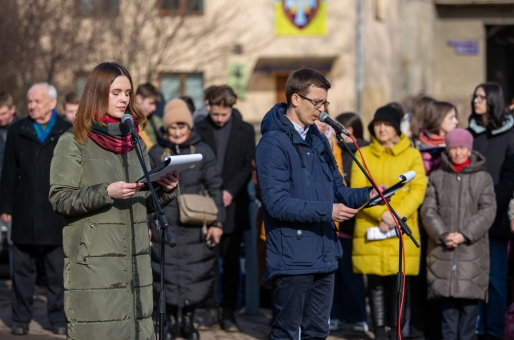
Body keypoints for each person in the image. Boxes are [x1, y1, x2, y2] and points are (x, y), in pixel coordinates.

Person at [48, 62, 179, 339]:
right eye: (116, 92)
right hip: (95, 266)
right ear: (98, 93)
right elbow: (60, 199)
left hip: (136, 261)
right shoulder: (73, 141)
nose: (124, 99)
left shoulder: (135, 141)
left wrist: (165, 188)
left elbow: (141, 197)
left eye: (128, 93)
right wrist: (106, 192)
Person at [255, 68, 385, 340]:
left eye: (325, 102)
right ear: (295, 99)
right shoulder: (272, 143)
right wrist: (329, 211)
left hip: (324, 252)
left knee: (318, 331)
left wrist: (368, 195)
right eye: (316, 102)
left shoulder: (320, 140)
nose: (322, 109)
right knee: (287, 332)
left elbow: (338, 190)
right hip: (292, 256)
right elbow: (277, 204)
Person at [148, 98, 224, 340]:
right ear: (166, 128)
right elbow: (147, 190)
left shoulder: (202, 150)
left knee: (195, 274)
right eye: (173, 127)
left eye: (183, 126)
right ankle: (170, 321)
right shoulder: (156, 152)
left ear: (189, 127)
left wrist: (217, 222)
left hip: (195, 224)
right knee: (166, 274)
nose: (178, 131)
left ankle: (188, 321)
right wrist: (149, 224)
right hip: (165, 222)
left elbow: (215, 186)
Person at [0, 83, 72, 335]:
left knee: (57, 273)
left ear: (52, 103)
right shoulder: (18, 130)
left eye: (37, 101)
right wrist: (5, 205)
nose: (31, 106)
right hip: (24, 211)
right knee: (21, 271)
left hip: (55, 212)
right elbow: (9, 171)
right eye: (29, 101)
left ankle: (58, 318)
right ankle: (20, 319)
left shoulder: (67, 130)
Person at [351, 106, 427, 340]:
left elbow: (417, 189)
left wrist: (394, 215)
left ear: (396, 128)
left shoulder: (411, 154)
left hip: (400, 230)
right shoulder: (362, 154)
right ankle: (379, 333)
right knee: (374, 286)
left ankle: (396, 333)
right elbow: (356, 191)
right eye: (377, 124)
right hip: (371, 228)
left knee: (398, 287)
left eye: (387, 124)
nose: (381, 129)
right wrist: (381, 215)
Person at [421, 128, 496, 340]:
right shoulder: (437, 177)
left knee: (469, 315)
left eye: (463, 147)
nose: (458, 152)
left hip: (471, 255)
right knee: (448, 314)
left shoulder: (483, 178)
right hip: (443, 254)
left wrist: (464, 234)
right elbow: (428, 210)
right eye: (454, 147)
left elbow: (488, 210)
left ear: (470, 149)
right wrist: (443, 234)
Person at [195, 85, 255, 332]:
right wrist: (212, 193)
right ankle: (210, 307)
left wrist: (229, 191)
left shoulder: (246, 130)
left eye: (224, 114)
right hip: (205, 202)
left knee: (231, 261)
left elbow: (245, 165)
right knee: (207, 258)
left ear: (232, 108)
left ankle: (229, 310)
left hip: (233, 203)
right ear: (208, 106)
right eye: (216, 113)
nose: (219, 119)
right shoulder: (199, 128)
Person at [468, 82, 514, 340]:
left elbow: (509, 179)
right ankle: (475, 327)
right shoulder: (471, 133)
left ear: (494, 101)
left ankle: (494, 331)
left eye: (482, 97)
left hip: (496, 219)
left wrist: (489, 209)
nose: (476, 100)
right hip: (469, 218)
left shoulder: (510, 134)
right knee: (473, 277)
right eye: (475, 96)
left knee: (495, 279)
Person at [329, 112, 369, 333]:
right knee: (336, 273)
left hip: (355, 223)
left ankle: (357, 316)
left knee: (353, 276)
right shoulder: (335, 151)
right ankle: (336, 314)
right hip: (336, 221)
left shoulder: (361, 153)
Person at [416, 101, 459, 175]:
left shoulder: (458, 142)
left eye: (455, 117)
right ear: (438, 119)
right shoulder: (418, 145)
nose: (456, 121)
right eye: (451, 118)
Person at [0, 92, 17, 263]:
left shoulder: (20, 130)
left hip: (12, 195)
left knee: (14, 244)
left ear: (12, 110)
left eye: (3, 113)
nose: (0, 117)